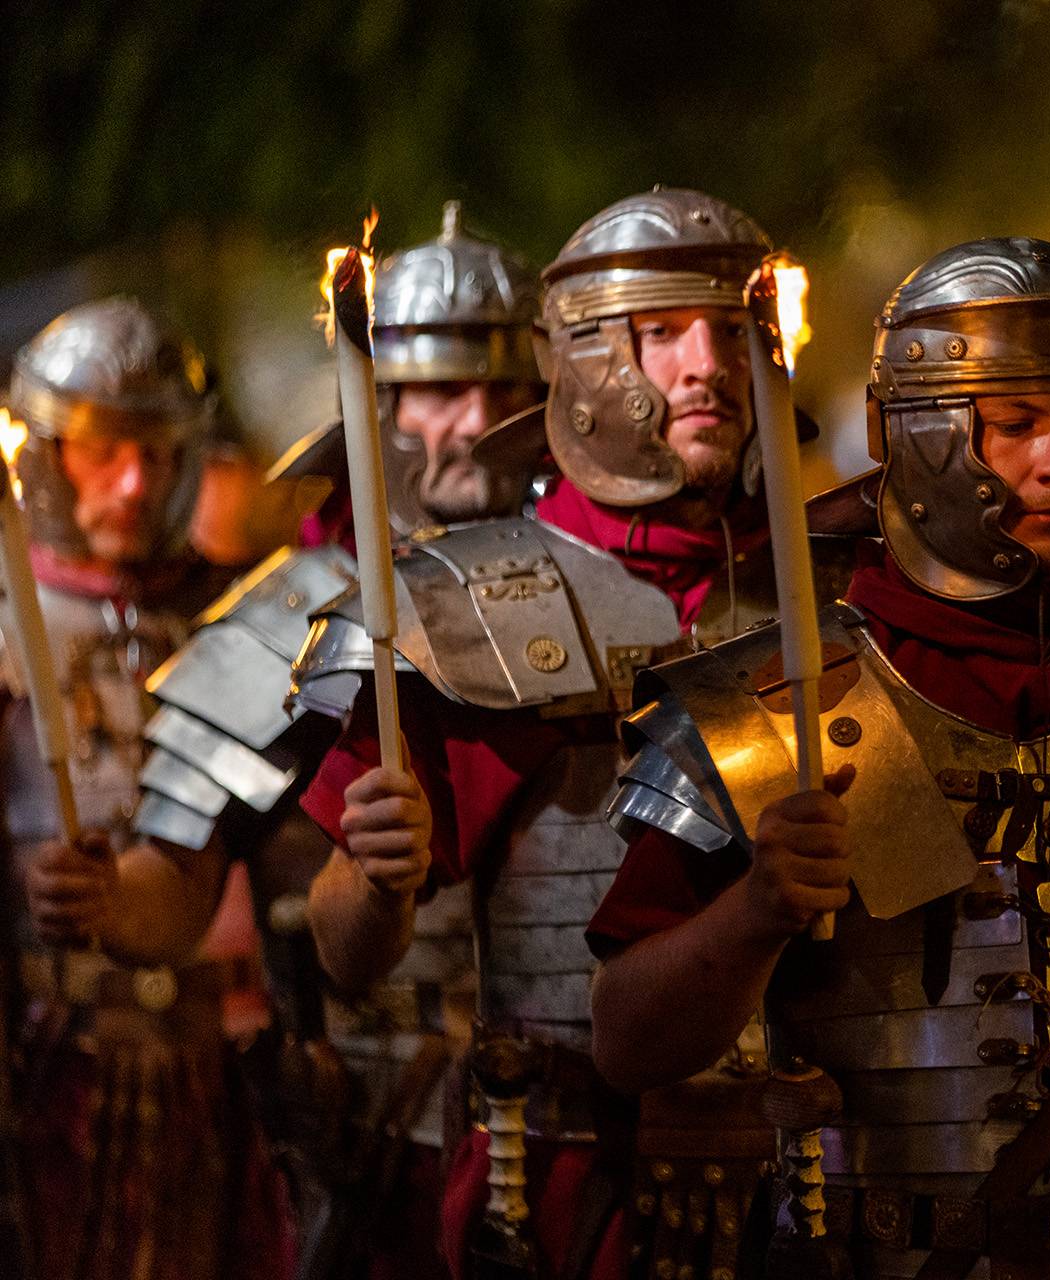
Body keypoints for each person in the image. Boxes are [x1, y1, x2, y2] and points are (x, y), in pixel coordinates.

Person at [586, 237, 1050, 1280]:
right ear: (915, 432)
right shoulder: (768, 704)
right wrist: (754, 914)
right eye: (1016, 424)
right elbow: (626, 1043)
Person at [290, 188, 861, 1280]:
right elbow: (346, 948)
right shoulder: (472, 599)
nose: (709, 366)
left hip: (811, 1184)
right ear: (588, 356)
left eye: (731, 327)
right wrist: (377, 877)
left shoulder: (838, 586)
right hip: (566, 1180)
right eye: (665, 331)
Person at [36, 201, 550, 1280]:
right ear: (382, 402)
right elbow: (177, 883)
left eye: (505, 390)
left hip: (580, 1118)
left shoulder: (615, 601)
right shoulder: (291, 614)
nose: (475, 422)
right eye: (441, 389)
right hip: (369, 1114)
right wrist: (105, 897)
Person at [6, 297, 291, 1280]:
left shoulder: (254, 621)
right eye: (103, 451)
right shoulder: (4, 620)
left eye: (160, 454)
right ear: (46, 453)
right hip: (50, 1069)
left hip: (233, 1071)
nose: (135, 482)